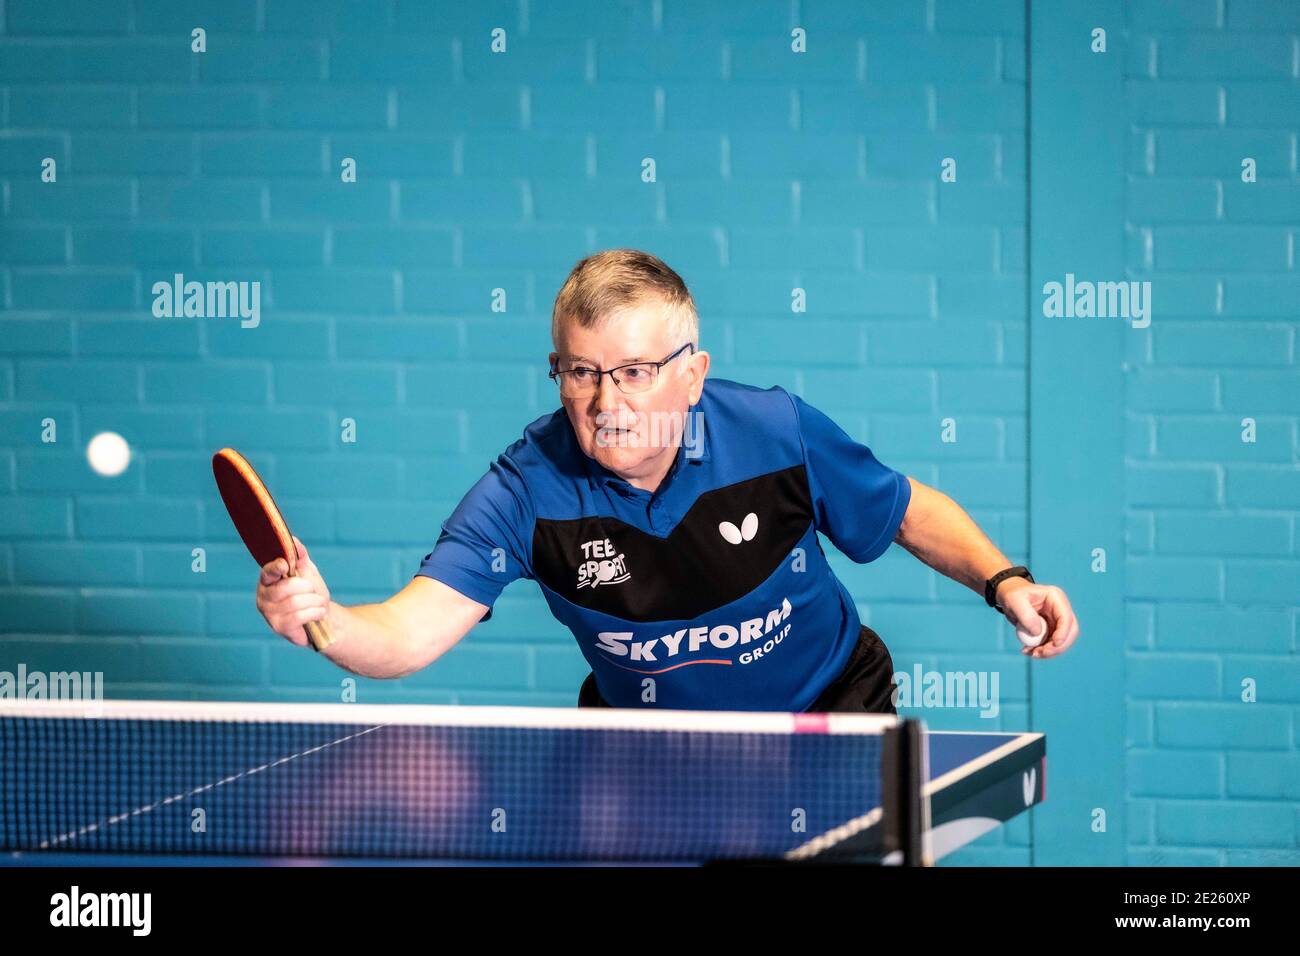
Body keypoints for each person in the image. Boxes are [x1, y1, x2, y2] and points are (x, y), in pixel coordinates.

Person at [255, 249, 1079, 713]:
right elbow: (406, 635)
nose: (605, 401)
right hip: (646, 743)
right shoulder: (523, 490)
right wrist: (325, 620)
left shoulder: (773, 432)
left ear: (694, 374)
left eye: (636, 371)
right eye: (579, 372)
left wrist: (1005, 580)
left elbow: (904, 512)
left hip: (830, 706)